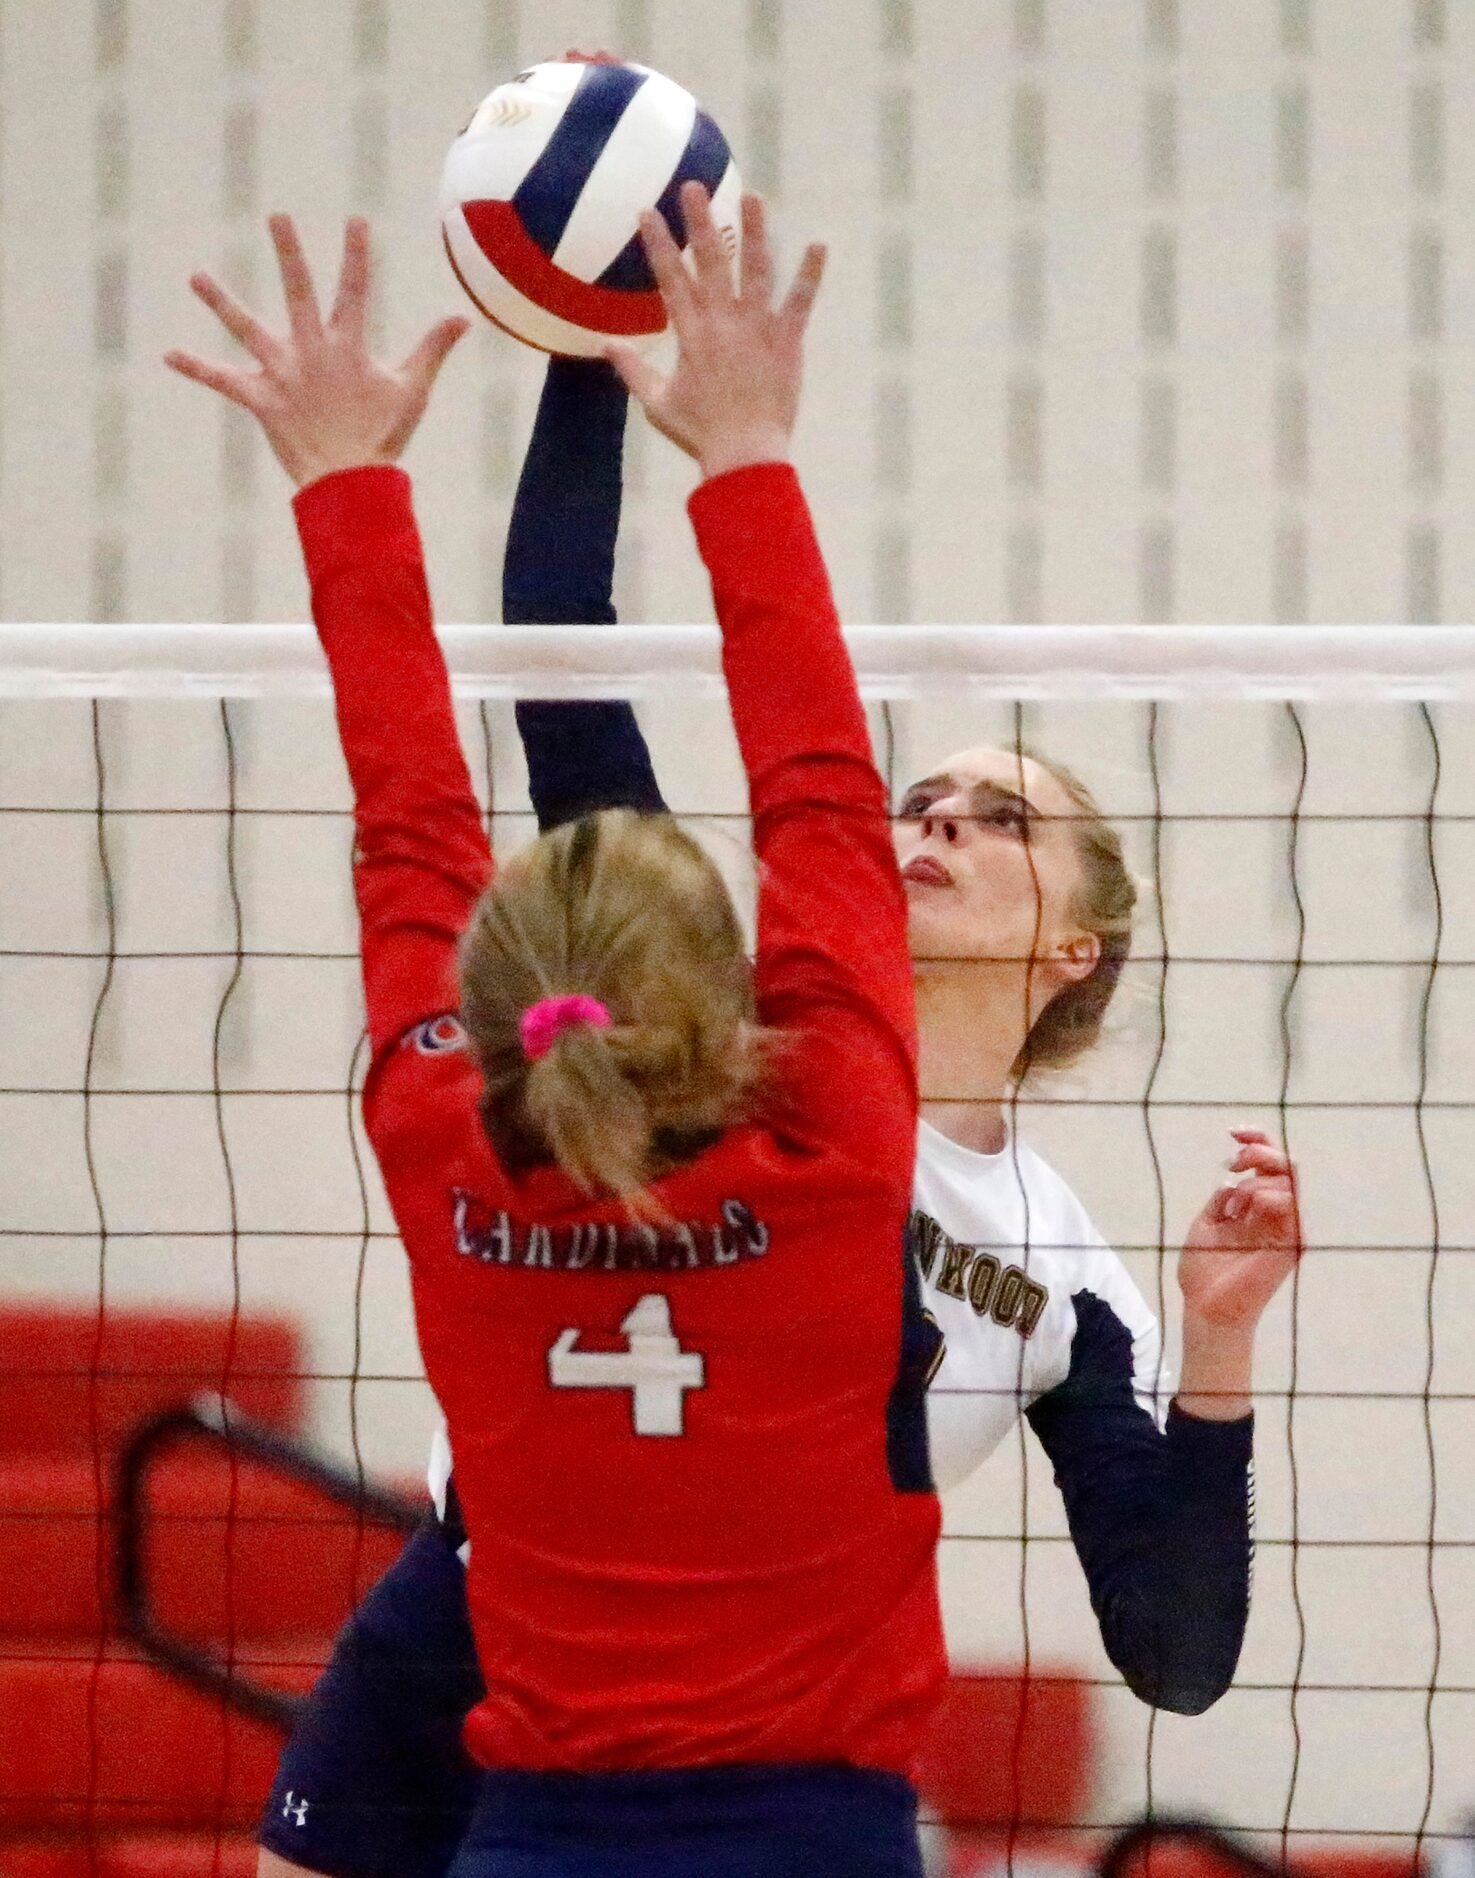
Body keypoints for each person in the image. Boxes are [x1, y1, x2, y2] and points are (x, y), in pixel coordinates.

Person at [170, 215, 1301, 1878]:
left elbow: (1180, 1655)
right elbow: (565, 635)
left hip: (748, 1712)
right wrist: (584, 327)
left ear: (1077, 948)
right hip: (489, 1610)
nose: (935, 822)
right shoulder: (714, 1042)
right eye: (920, 797)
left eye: (1003, 819)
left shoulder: (1067, 1273)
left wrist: (1214, 1349)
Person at [169, 186, 948, 1878]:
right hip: (820, 1842)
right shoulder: (833, 1137)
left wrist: (346, 483)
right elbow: (817, 785)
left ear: (493, 1001)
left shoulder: (453, 1145)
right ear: (726, 981)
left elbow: (412, 825)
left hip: (537, 1846)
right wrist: (747, 452)